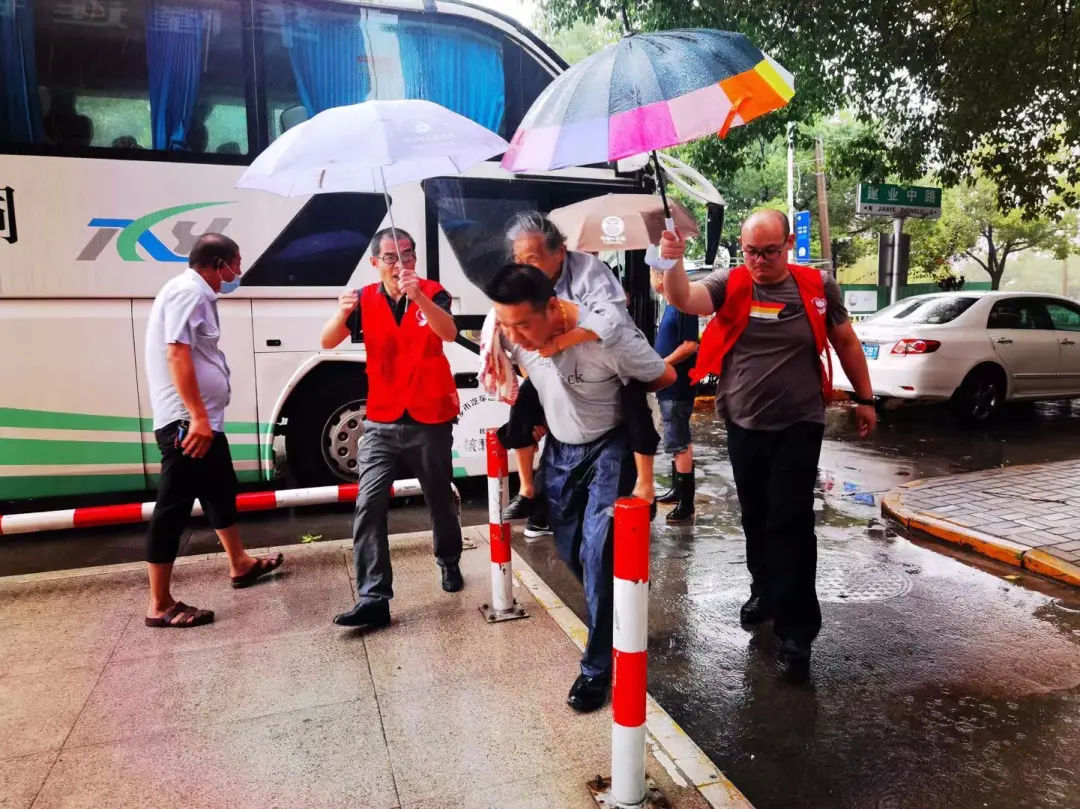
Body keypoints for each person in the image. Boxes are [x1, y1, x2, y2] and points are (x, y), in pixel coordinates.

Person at [660, 209, 876, 672]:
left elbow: (846, 341)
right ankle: (765, 590)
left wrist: (865, 398)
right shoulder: (730, 282)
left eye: (770, 251)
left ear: (789, 243)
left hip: (800, 421)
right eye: (751, 251)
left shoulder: (818, 287)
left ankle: (797, 633)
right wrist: (673, 260)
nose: (759, 260)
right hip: (743, 421)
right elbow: (686, 299)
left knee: (791, 521)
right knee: (756, 515)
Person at [488, 263, 675, 712]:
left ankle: (596, 670)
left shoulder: (609, 337)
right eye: (507, 326)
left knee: (597, 553)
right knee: (571, 550)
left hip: (610, 448)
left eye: (523, 325)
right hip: (559, 451)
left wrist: (646, 477)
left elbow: (663, 378)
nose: (517, 336)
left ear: (553, 306)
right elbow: (534, 379)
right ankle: (614, 607)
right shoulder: (519, 338)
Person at [320, 227, 463, 629]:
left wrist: (418, 296)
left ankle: (448, 559)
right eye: (391, 257)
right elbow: (328, 341)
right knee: (369, 504)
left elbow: (448, 333)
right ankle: (373, 597)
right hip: (382, 418)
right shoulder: (364, 299)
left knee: (438, 498)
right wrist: (341, 313)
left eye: (408, 254)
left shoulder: (433, 292)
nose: (401, 263)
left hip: (430, 417)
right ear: (375, 262)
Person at [143, 233, 284, 629]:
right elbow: (177, 352)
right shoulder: (191, 293)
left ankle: (239, 564)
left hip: (204, 420)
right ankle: (159, 603)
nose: (237, 272)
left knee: (221, 490)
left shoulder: (194, 292)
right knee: (172, 508)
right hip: (187, 423)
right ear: (218, 262)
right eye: (235, 264)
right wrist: (197, 417)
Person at [500, 212, 661, 536]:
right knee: (522, 414)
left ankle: (646, 486)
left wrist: (561, 339)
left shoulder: (591, 272)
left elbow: (610, 320)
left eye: (532, 257)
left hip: (609, 359)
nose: (525, 265)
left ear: (559, 252)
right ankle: (529, 492)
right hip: (558, 366)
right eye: (519, 258)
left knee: (634, 409)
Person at [651, 269, 700, 524]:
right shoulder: (669, 305)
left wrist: (663, 365)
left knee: (679, 440)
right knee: (674, 438)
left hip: (677, 384)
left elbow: (690, 345)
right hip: (667, 384)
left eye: (652, 273)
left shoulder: (684, 304)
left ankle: (686, 503)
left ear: (662, 277)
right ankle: (677, 490)